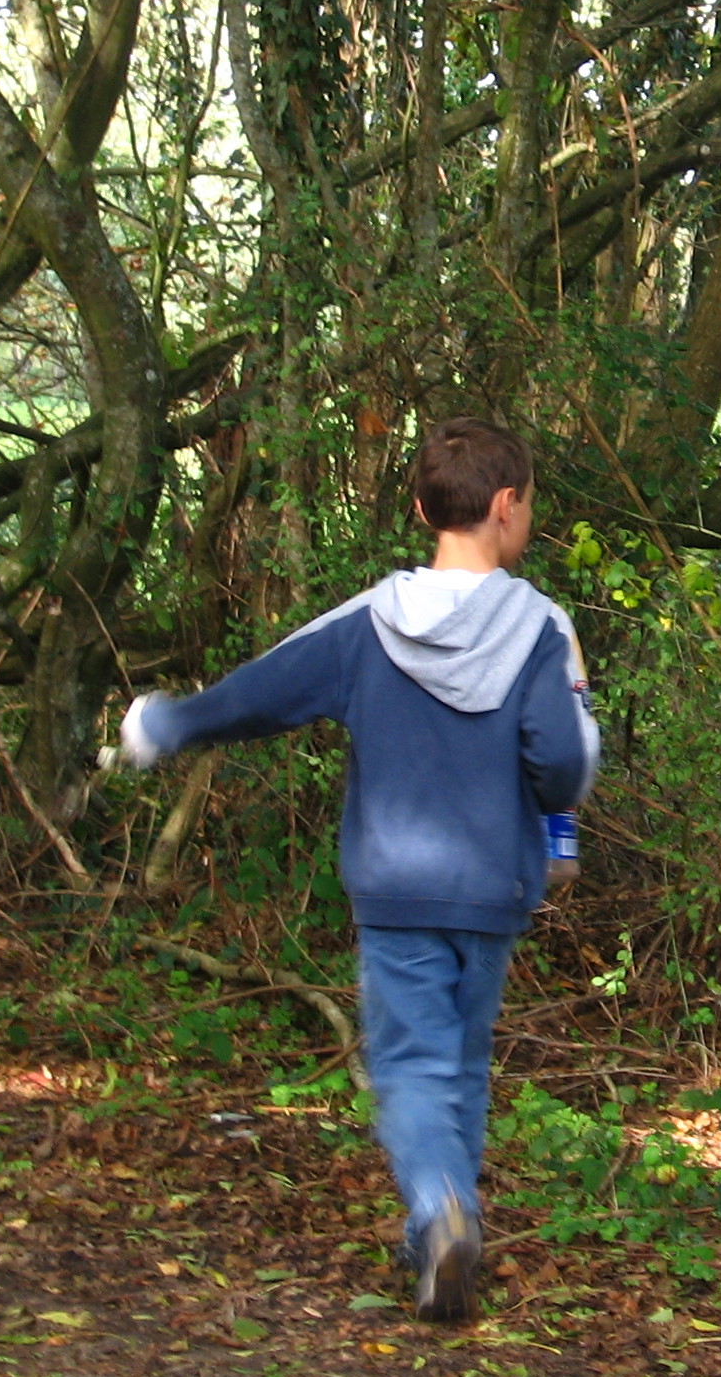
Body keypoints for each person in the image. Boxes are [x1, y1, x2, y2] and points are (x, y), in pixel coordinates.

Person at [106, 418, 597, 1322]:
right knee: (460, 1065)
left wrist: (165, 725)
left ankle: (440, 1214)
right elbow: (562, 763)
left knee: (411, 1067)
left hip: (395, 890)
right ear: (505, 508)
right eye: (528, 505)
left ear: (419, 509)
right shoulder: (539, 630)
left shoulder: (371, 623)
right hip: (493, 890)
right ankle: (446, 1220)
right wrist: (553, 816)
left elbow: (263, 693)